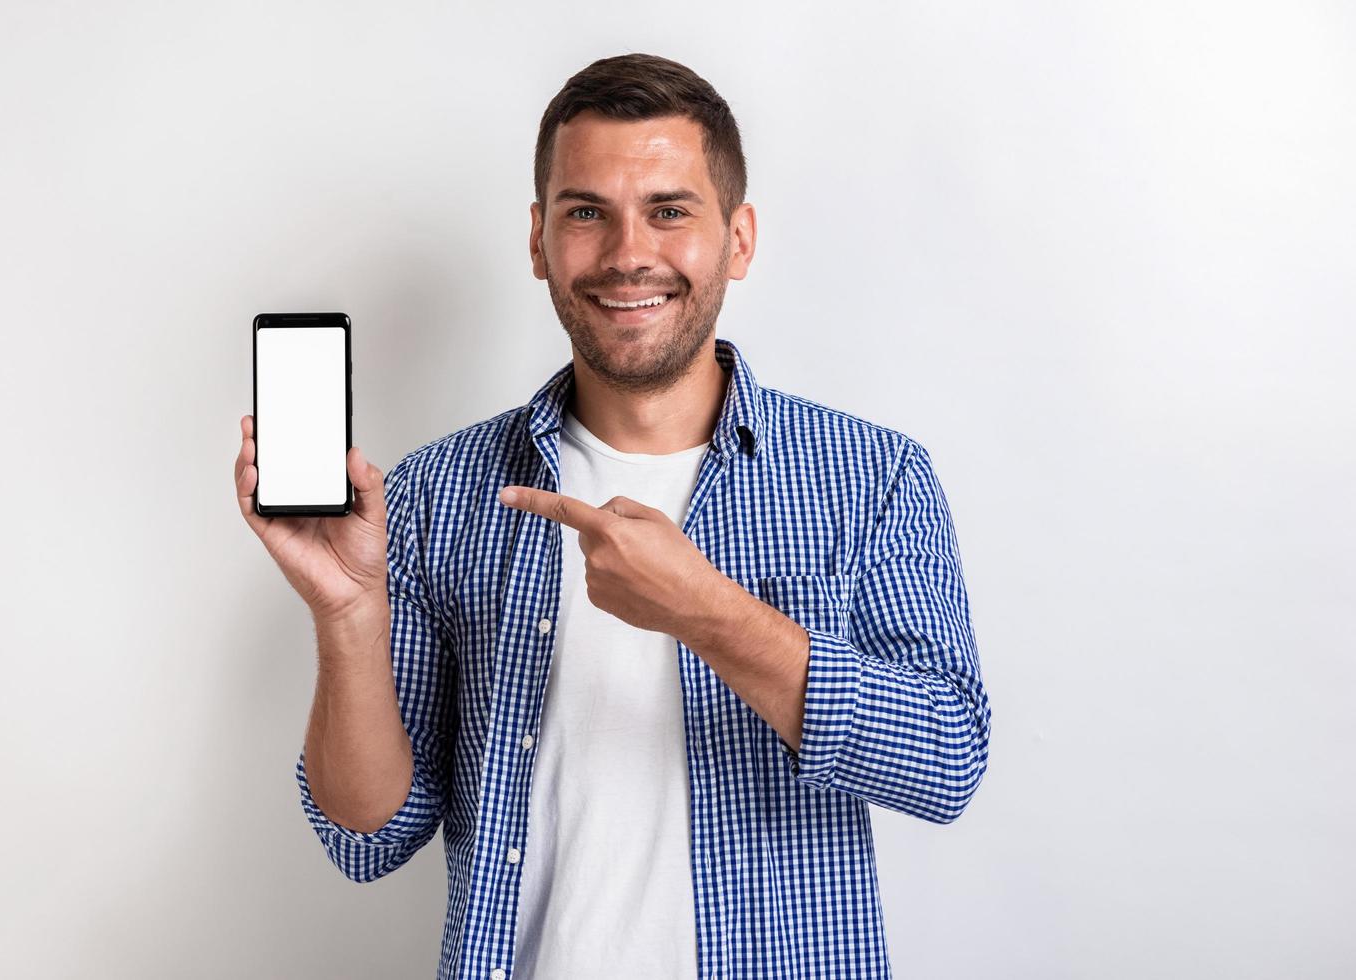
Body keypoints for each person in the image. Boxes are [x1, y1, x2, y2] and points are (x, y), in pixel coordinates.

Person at [234, 52, 990, 980]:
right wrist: (345, 612)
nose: (629, 252)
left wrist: (704, 611)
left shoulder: (869, 477)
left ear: (738, 239)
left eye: (669, 211)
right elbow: (368, 837)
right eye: (586, 212)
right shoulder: (438, 491)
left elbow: (946, 762)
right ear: (539, 242)